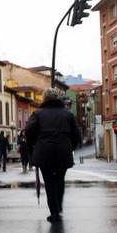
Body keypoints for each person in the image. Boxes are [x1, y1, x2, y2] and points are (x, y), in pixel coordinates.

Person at [26, 87, 82, 223]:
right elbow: (76, 135)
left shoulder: (38, 114)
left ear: (44, 98)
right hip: (63, 152)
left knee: (50, 183)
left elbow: (29, 132)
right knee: (60, 180)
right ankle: (59, 206)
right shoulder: (67, 114)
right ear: (58, 98)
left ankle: (54, 212)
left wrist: (35, 146)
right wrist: (70, 147)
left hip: (44, 152)